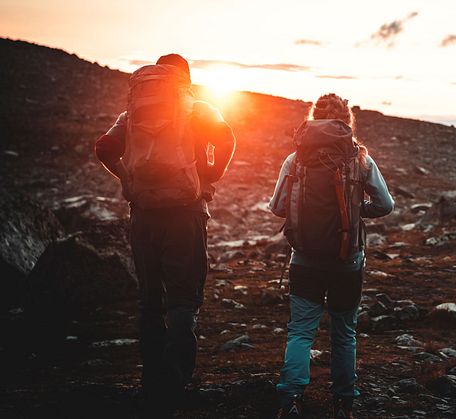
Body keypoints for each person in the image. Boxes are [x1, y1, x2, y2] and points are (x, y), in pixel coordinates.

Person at [94, 53, 236, 417]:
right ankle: (177, 381)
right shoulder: (199, 108)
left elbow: (103, 148)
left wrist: (127, 178)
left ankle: (152, 381)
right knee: (184, 301)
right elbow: (227, 138)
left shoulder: (132, 113)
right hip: (186, 216)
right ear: (184, 79)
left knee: (149, 300)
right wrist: (210, 173)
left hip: (143, 216)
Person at [269, 93, 394, 419]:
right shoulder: (360, 160)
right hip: (347, 262)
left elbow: (277, 206)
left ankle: (291, 399)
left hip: (305, 259)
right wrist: (355, 211)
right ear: (345, 121)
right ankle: (343, 402)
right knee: (344, 333)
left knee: (300, 332)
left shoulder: (295, 160)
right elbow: (386, 205)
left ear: (313, 118)